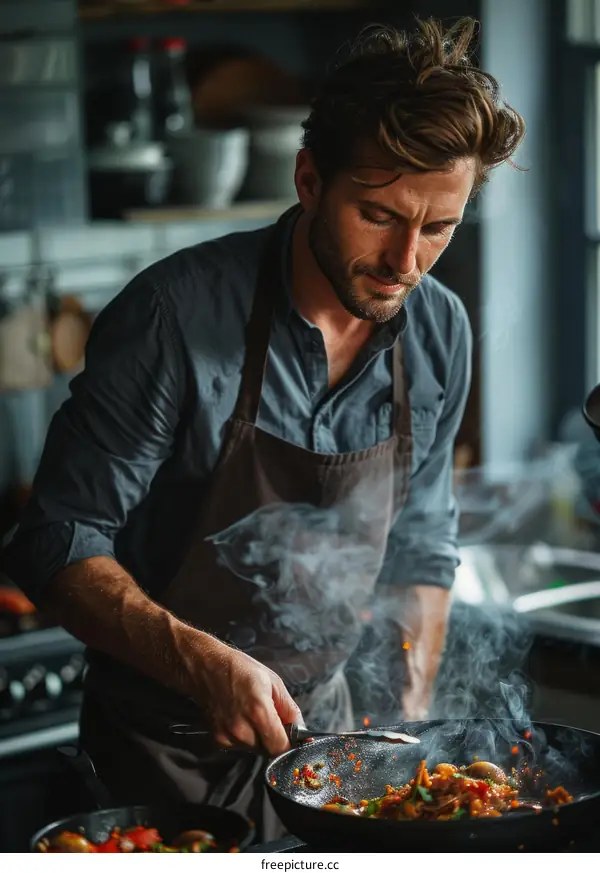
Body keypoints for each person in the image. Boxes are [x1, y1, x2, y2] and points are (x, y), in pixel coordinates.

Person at [2, 16, 525, 841]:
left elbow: (420, 543)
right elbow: (56, 541)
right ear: (309, 179)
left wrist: (404, 726)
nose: (406, 261)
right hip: (160, 759)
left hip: (334, 751)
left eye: (438, 227)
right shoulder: (172, 316)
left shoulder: (439, 330)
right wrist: (207, 664)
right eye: (379, 215)